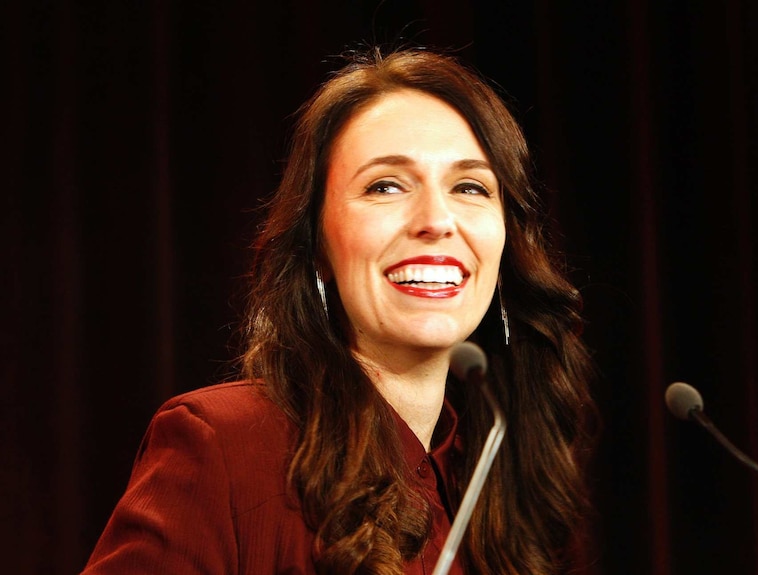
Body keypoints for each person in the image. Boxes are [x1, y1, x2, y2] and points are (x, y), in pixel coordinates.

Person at [81, 47, 597, 575]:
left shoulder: (507, 481)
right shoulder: (224, 446)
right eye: (385, 186)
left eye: (470, 186)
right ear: (318, 248)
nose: (437, 220)